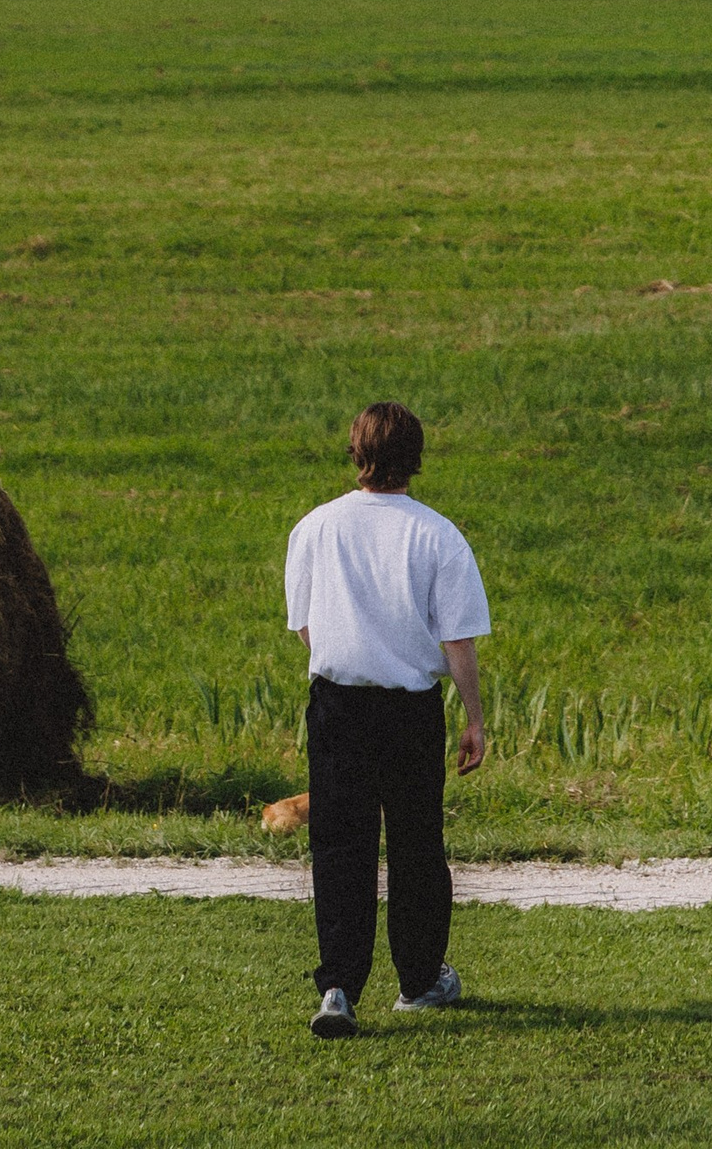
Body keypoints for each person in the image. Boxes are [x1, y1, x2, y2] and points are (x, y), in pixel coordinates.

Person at [284, 400, 490, 1041]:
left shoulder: (315, 528)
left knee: (340, 846)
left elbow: (306, 627)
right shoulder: (438, 536)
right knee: (416, 845)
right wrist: (475, 718)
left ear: (356, 453)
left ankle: (339, 988)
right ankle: (421, 979)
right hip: (409, 710)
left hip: (338, 704)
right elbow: (458, 643)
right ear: (416, 458)